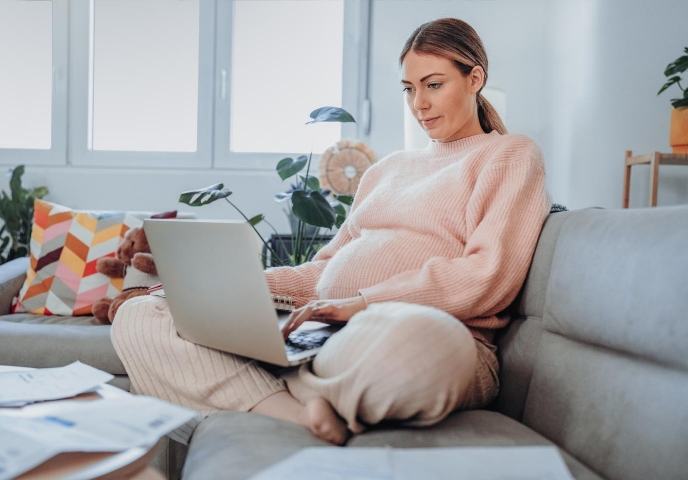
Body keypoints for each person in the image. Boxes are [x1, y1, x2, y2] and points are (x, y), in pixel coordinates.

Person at [111, 17, 552, 446]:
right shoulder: (387, 170)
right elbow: (319, 275)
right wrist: (214, 290)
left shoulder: (509, 155)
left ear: (475, 78)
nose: (419, 103)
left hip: (432, 335)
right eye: (409, 88)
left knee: (414, 346)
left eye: (433, 85)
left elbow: (487, 275)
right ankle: (300, 411)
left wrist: (360, 305)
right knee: (140, 317)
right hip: (328, 338)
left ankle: (278, 386)